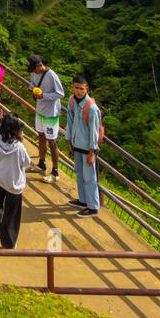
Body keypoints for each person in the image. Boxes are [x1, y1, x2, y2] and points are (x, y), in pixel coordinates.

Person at [0, 112, 31, 248]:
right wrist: (21, 140)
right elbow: (27, 162)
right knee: (11, 214)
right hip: (13, 184)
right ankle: (8, 242)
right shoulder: (19, 148)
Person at [65, 76, 101, 216]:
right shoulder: (72, 101)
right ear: (72, 87)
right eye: (76, 88)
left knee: (89, 177)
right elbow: (69, 121)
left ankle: (93, 206)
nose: (79, 91)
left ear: (86, 89)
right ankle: (83, 200)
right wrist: (69, 141)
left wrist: (92, 152)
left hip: (87, 148)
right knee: (79, 174)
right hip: (76, 144)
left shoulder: (91, 107)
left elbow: (94, 131)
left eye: (82, 88)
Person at [28, 55, 65, 182]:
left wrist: (44, 95)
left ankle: (55, 172)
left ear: (40, 65)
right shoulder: (34, 73)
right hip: (40, 110)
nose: (33, 72)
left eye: (35, 69)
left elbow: (60, 93)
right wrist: (33, 90)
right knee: (41, 136)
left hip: (51, 113)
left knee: (52, 142)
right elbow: (32, 85)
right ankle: (41, 164)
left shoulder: (52, 75)